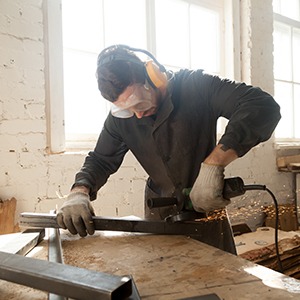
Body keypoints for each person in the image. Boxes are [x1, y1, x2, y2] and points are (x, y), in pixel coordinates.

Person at [57, 44, 281, 254]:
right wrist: (79, 192)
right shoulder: (122, 118)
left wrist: (214, 163)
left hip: (206, 209)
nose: (138, 114)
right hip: (159, 213)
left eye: (140, 104)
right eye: (127, 110)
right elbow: (101, 160)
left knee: (222, 280)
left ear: (153, 76)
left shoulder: (196, 86)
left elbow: (261, 106)